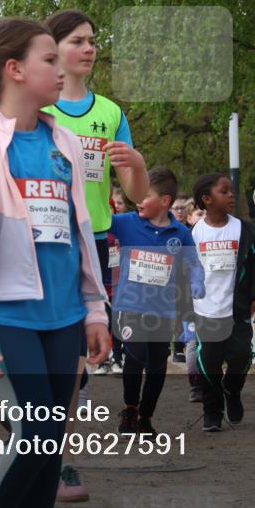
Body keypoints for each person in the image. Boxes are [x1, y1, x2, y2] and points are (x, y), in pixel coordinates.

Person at [0, 17, 111, 508]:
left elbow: (81, 231)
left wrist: (94, 309)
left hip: (64, 316)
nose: (61, 68)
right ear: (16, 70)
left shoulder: (65, 141)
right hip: (7, 315)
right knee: (36, 432)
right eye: (50, 59)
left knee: (52, 438)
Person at [43, 9, 148, 499]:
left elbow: (137, 193)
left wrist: (137, 166)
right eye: (77, 41)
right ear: (53, 48)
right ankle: (20, 412)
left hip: (93, 242)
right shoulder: (38, 107)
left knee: (75, 354)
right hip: (40, 241)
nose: (89, 49)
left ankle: (61, 459)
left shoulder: (110, 112)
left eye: (92, 41)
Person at [108, 166, 205, 435]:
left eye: (145, 195)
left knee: (157, 365)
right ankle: (130, 410)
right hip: (130, 306)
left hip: (162, 311)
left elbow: (194, 263)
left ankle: (146, 416)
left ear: (165, 201)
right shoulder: (126, 222)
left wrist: (197, 282)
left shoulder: (180, 233)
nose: (138, 200)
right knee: (135, 357)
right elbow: (98, 221)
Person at [190, 172, 255, 431]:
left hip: (237, 309)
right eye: (224, 191)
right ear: (207, 199)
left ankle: (232, 390)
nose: (231, 195)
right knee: (208, 364)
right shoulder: (194, 234)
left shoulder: (244, 230)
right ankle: (212, 411)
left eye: (232, 191)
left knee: (242, 357)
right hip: (205, 311)